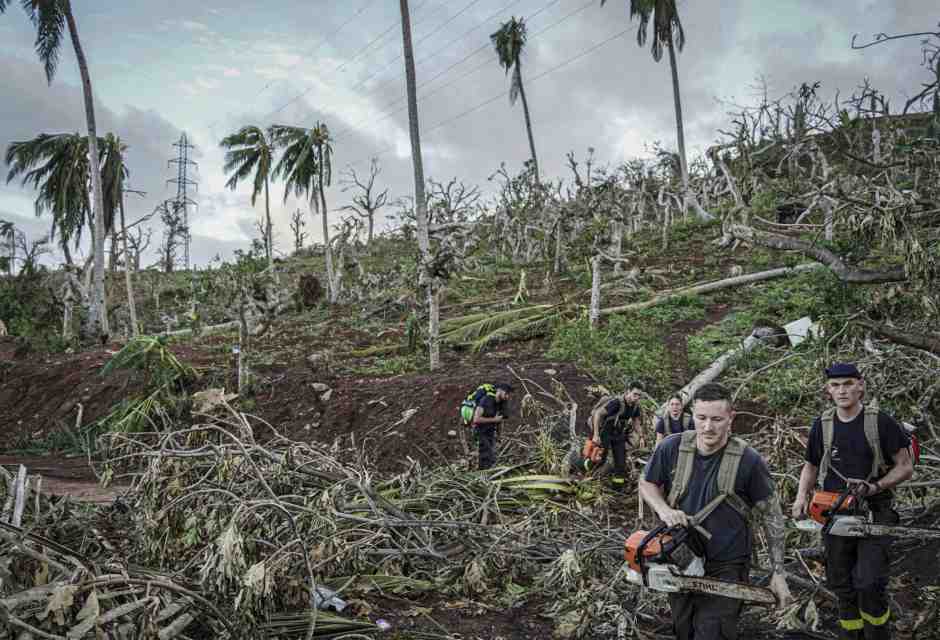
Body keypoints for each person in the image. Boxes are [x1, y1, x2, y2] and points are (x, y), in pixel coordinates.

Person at [640, 382, 791, 640]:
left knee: (712, 633)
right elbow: (647, 482)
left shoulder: (749, 460)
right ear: (692, 416)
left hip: (727, 564)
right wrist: (664, 509)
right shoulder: (671, 448)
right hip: (682, 558)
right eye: (701, 418)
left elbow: (772, 516)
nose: (708, 427)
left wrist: (778, 573)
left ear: (730, 418)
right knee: (684, 629)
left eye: (716, 419)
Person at [791, 363, 913, 640]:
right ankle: (852, 635)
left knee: (868, 582)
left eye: (848, 383)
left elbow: (905, 466)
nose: (842, 390)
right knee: (841, 584)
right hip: (834, 514)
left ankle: (878, 634)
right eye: (835, 385)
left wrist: (876, 486)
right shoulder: (822, 424)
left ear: (861, 386)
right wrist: (801, 498)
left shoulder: (880, 422)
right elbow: (810, 466)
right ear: (828, 390)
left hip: (874, 513)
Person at [590, 382, 643, 489]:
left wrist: (641, 437)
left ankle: (617, 488)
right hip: (605, 433)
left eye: (639, 395)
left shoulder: (635, 407)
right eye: (635, 394)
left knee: (620, 464)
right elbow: (598, 414)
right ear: (628, 391)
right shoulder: (617, 403)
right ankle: (589, 480)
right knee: (599, 459)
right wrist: (596, 435)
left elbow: (636, 422)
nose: (636, 398)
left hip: (619, 435)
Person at [461, 383, 512, 470]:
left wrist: (500, 435)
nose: (507, 397)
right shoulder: (486, 399)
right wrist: (494, 420)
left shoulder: (501, 403)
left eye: (509, 395)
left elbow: (500, 420)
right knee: (486, 452)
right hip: (480, 429)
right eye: (506, 394)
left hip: (490, 429)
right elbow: (476, 419)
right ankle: (483, 472)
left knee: (490, 452)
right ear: (499, 390)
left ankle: (487, 471)